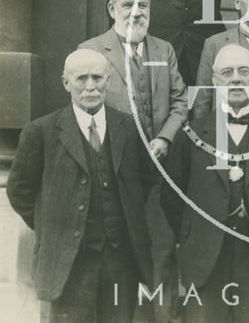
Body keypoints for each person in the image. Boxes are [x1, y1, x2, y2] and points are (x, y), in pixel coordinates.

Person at [161, 44, 249, 323]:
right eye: (227, 73)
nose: (236, 79)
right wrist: (197, 234)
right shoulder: (190, 134)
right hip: (205, 260)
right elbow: (172, 196)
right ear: (215, 81)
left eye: (243, 72)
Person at [7, 49, 153, 323]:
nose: (90, 86)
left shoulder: (129, 128)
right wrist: (55, 226)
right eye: (81, 78)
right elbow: (19, 191)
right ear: (66, 83)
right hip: (68, 265)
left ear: (108, 81)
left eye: (97, 78)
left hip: (120, 261)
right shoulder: (41, 131)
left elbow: (143, 183)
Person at [79, 0, 188, 323]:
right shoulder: (91, 51)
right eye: (128, 5)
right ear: (112, 8)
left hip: (158, 173)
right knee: (120, 255)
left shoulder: (164, 50)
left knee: (161, 249)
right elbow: (84, 111)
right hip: (112, 173)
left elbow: (180, 103)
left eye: (143, 5)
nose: (137, 12)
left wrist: (165, 139)